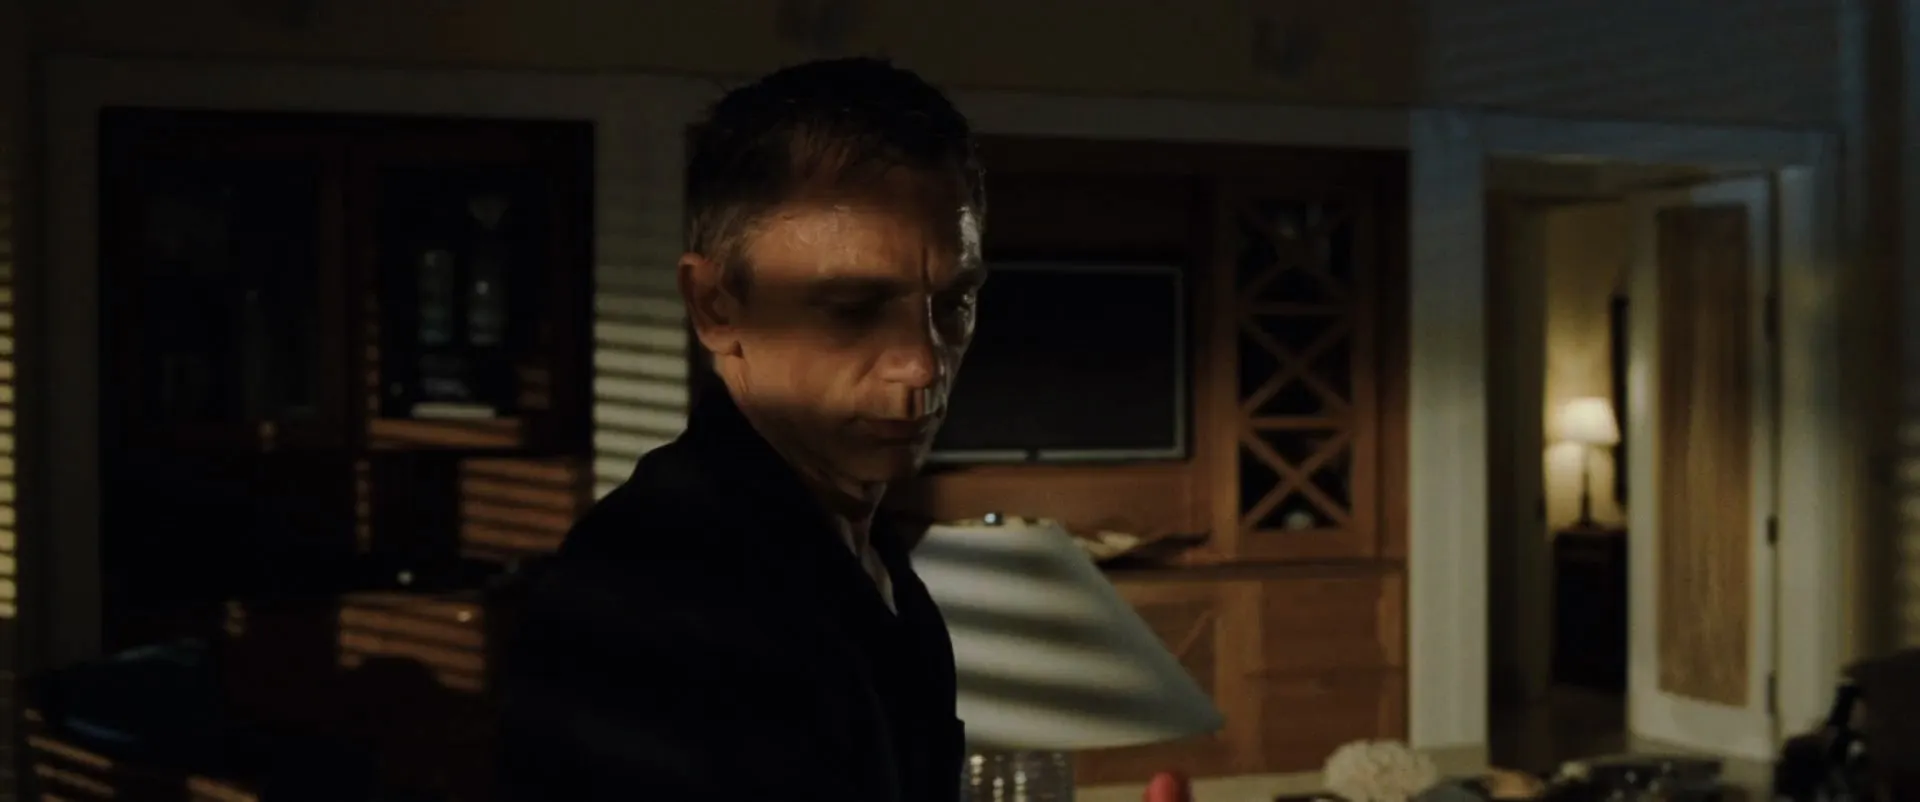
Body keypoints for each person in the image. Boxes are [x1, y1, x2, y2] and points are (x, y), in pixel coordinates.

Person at [497, 57, 986, 802]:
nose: (923, 361)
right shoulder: (650, 596)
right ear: (715, 305)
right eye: (853, 307)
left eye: (953, 304)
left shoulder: (871, 565)